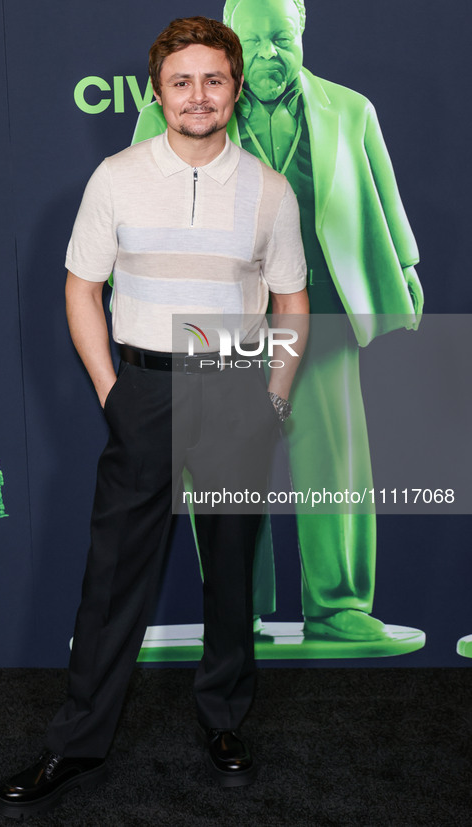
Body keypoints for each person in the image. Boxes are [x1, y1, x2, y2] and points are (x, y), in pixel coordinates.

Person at [0, 16, 308, 820]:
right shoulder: (116, 178)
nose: (196, 96)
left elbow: (291, 301)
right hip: (145, 389)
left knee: (233, 572)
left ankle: (224, 721)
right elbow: (79, 288)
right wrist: (110, 391)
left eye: (212, 80)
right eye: (180, 81)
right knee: (112, 580)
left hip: (236, 387)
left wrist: (273, 395)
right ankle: (78, 739)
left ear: (233, 89)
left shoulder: (270, 191)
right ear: (157, 91)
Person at [133, 0, 423, 643]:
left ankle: (339, 606)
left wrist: (405, 266)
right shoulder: (175, 112)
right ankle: (238, 610)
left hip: (320, 313)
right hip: (222, 316)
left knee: (335, 462)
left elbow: (381, 192)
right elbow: (139, 206)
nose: (268, 55)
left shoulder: (349, 110)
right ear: (232, 42)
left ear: (302, 36)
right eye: (254, 42)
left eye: (281, 41)